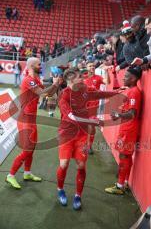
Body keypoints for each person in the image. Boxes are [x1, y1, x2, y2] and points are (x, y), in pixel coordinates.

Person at [57, 68, 119, 210]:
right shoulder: (64, 95)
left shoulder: (84, 89)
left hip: (82, 135)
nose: (83, 77)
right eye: (80, 76)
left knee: (81, 166)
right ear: (71, 80)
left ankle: (78, 195)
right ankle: (60, 189)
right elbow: (71, 116)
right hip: (67, 134)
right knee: (64, 164)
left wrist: (117, 92)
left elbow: (98, 93)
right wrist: (92, 122)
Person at [6, 57, 60, 189]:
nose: (40, 66)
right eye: (38, 64)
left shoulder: (35, 79)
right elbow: (41, 93)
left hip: (31, 119)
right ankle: (10, 175)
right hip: (24, 120)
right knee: (27, 150)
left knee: (32, 148)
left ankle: (27, 173)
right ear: (31, 66)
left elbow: (48, 94)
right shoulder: (28, 80)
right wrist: (54, 84)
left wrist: (56, 84)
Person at [105, 66, 142, 195]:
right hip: (128, 128)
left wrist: (119, 115)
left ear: (133, 78)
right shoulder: (132, 91)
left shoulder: (134, 92)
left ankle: (119, 186)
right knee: (126, 155)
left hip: (129, 129)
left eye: (126, 76)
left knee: (123, 155)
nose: (123, 78)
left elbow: (132, 114)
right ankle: (124, 182)